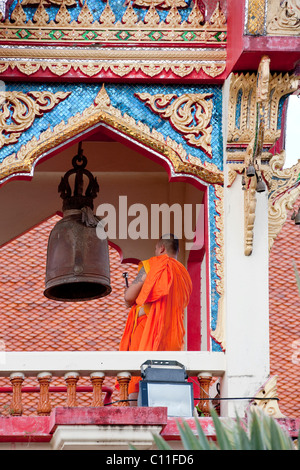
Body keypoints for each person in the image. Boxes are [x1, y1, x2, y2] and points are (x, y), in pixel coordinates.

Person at [118, 234, 193, 402]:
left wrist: (127, 293)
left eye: (155, 249)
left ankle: (133, 412)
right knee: (166, 377)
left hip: (148, 329)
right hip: (172, 334)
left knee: (138, 372)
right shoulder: (184, 275)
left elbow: (129, 297)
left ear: (162, 248)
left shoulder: (153, 265)